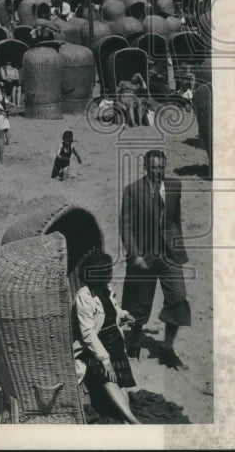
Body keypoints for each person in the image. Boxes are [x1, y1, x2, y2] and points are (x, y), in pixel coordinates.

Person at [120, 150, 190, 369]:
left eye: (161, 168)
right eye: (154, 168)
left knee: (178, 298)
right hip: (144, 254)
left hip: (169, 255)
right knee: (139, 305)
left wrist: (176, 245)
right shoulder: (132, 191)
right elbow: (126, 226)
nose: (158, 172)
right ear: (145, 167)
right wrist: (134, 255)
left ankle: (168, 349)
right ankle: (135, 338)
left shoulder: (174, 187)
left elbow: (175, 219)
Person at [72, 252, 141, 424]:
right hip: (96, 346)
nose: (110, 273)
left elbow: (113, 311)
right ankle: (133, 421)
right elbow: (87, 332)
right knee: (108, 376)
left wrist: (125, 315)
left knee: (122, 380)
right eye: (107, 271)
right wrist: (105, 360)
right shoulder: (84, 296)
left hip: (115, 341)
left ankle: (126, 420)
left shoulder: (107, 289)